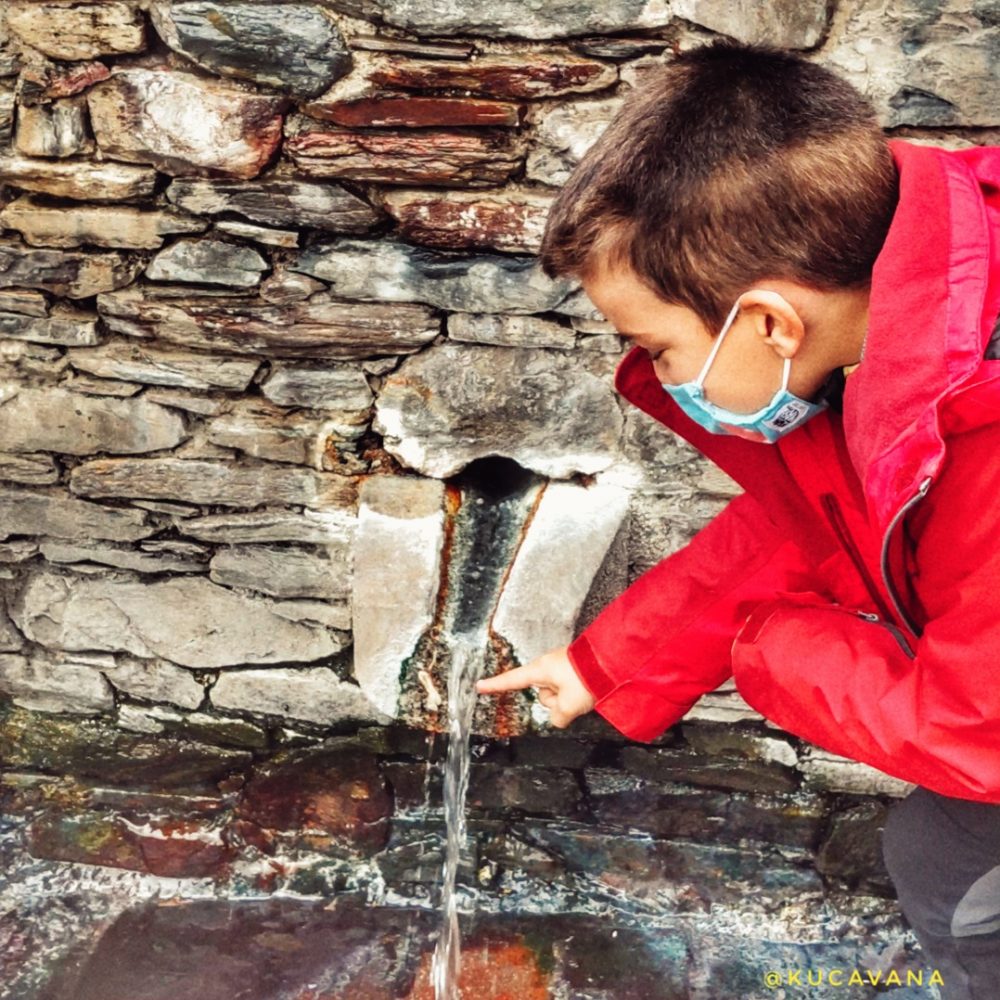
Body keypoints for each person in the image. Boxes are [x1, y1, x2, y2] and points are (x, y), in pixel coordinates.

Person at [474, 39, 1000, 998]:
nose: (660, 378)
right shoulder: (898, 317)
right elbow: (812, 517)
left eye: (657, 347)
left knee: (956, 867)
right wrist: (610, 663)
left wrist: (767, 653)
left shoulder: (987, 437)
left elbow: (980, 732)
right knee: (941, 848)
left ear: (769, 323)